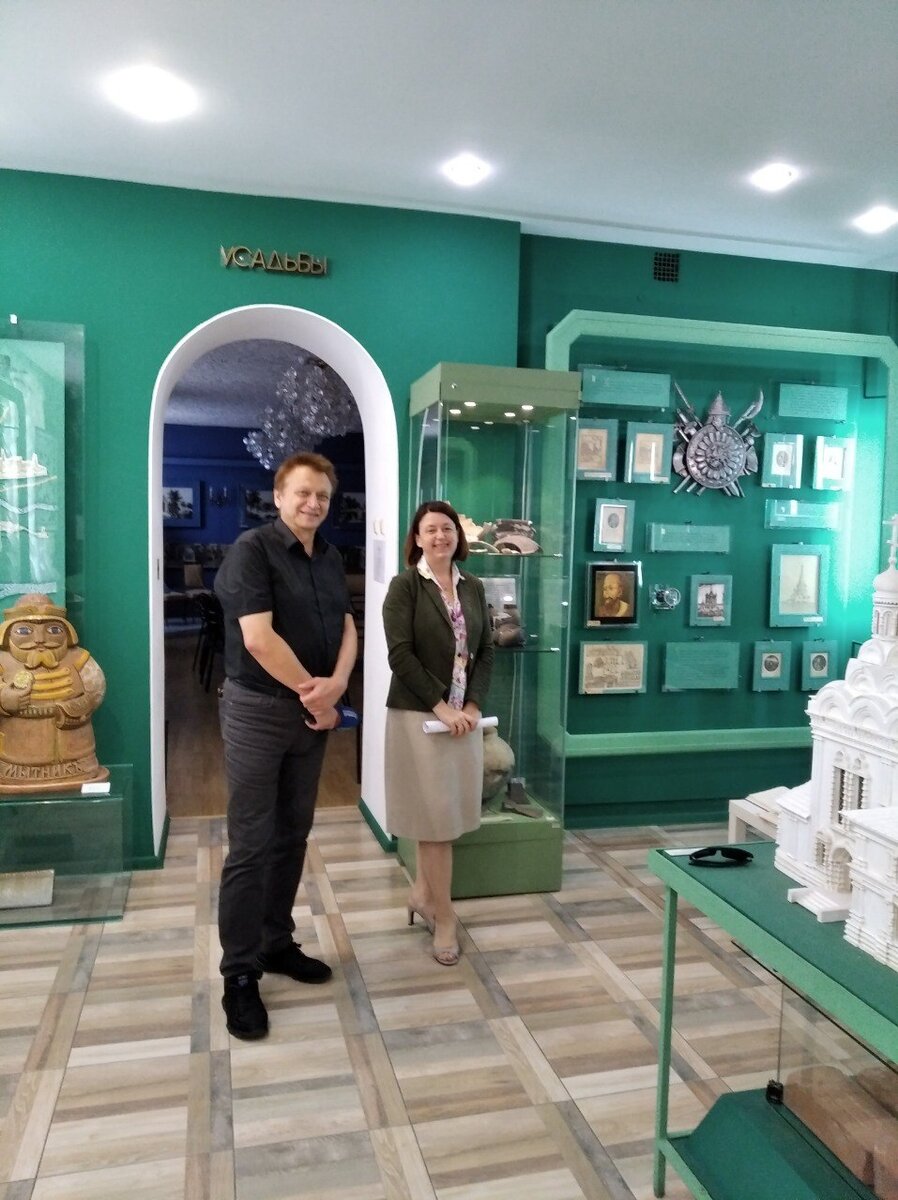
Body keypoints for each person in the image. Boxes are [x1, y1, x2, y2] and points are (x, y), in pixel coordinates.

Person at [214, 451, 357, 1040]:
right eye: (302, 492)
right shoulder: (252, 550)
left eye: (322, 495)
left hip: (310, 713)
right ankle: (239, 974)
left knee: (293, 834)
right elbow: (257, 638)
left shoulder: (330, 557)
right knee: (250, 844)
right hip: (258, 711)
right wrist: (317, 697)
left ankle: (276, 943)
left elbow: (346, 625)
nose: (313, 503)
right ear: (278, 496)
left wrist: (339, 683)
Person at [382, 500, 494, 966]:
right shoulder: (405, 586)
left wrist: (470, 706)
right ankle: (444, 917)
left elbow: (486, 650)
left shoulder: (474, 586)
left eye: (447, 528)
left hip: (462, 719)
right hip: (420, 719)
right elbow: (400, 655)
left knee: (445, 816)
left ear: (457, 536)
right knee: (437, 825)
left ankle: (422, 895)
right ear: (417, 539)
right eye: (430, 530)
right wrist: (442, 707)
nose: (440, 536)